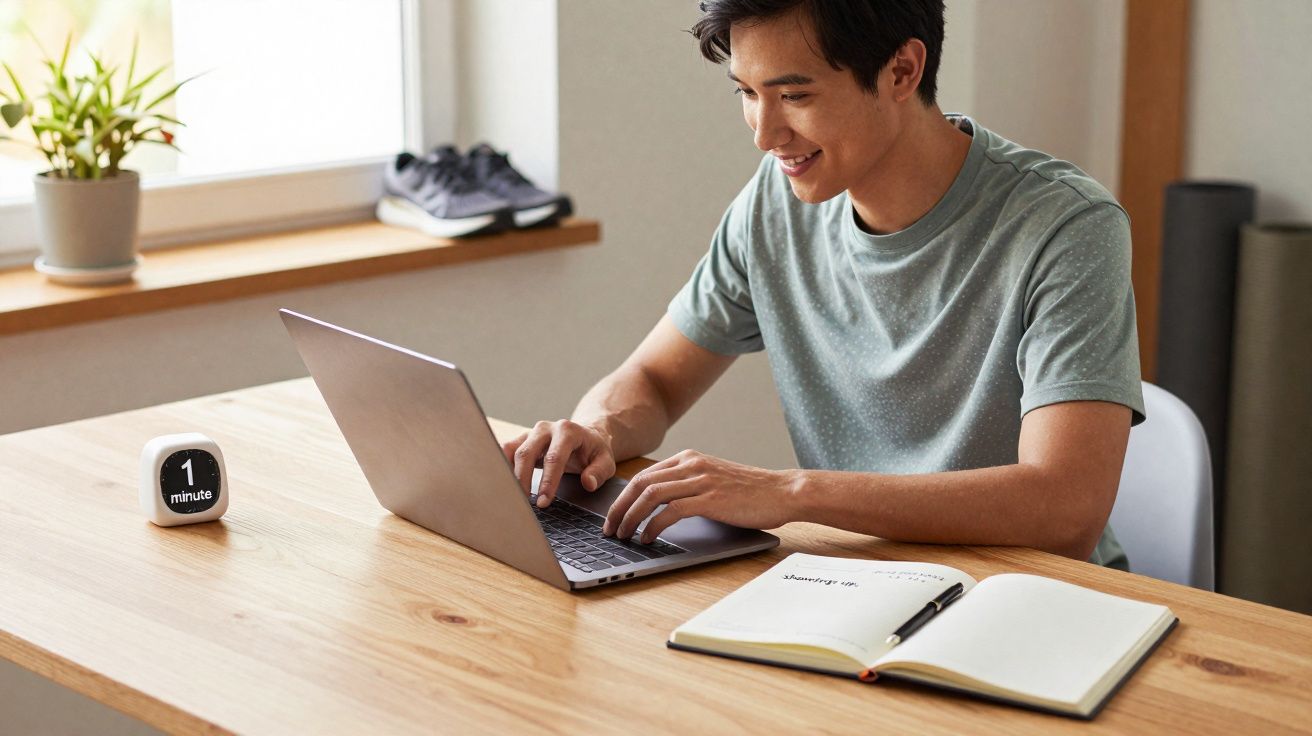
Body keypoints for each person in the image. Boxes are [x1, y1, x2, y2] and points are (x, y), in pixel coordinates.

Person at [501, 0, 1144, 568]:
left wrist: (790, 493)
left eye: (794, 96)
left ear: (902, 71)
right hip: (854, 580)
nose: (764, 134)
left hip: (1033, 597)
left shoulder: (1066, 226)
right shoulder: (775, 204)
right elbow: (655, 380)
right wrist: (596, 432)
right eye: (746, 92)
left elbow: (1066, 509)